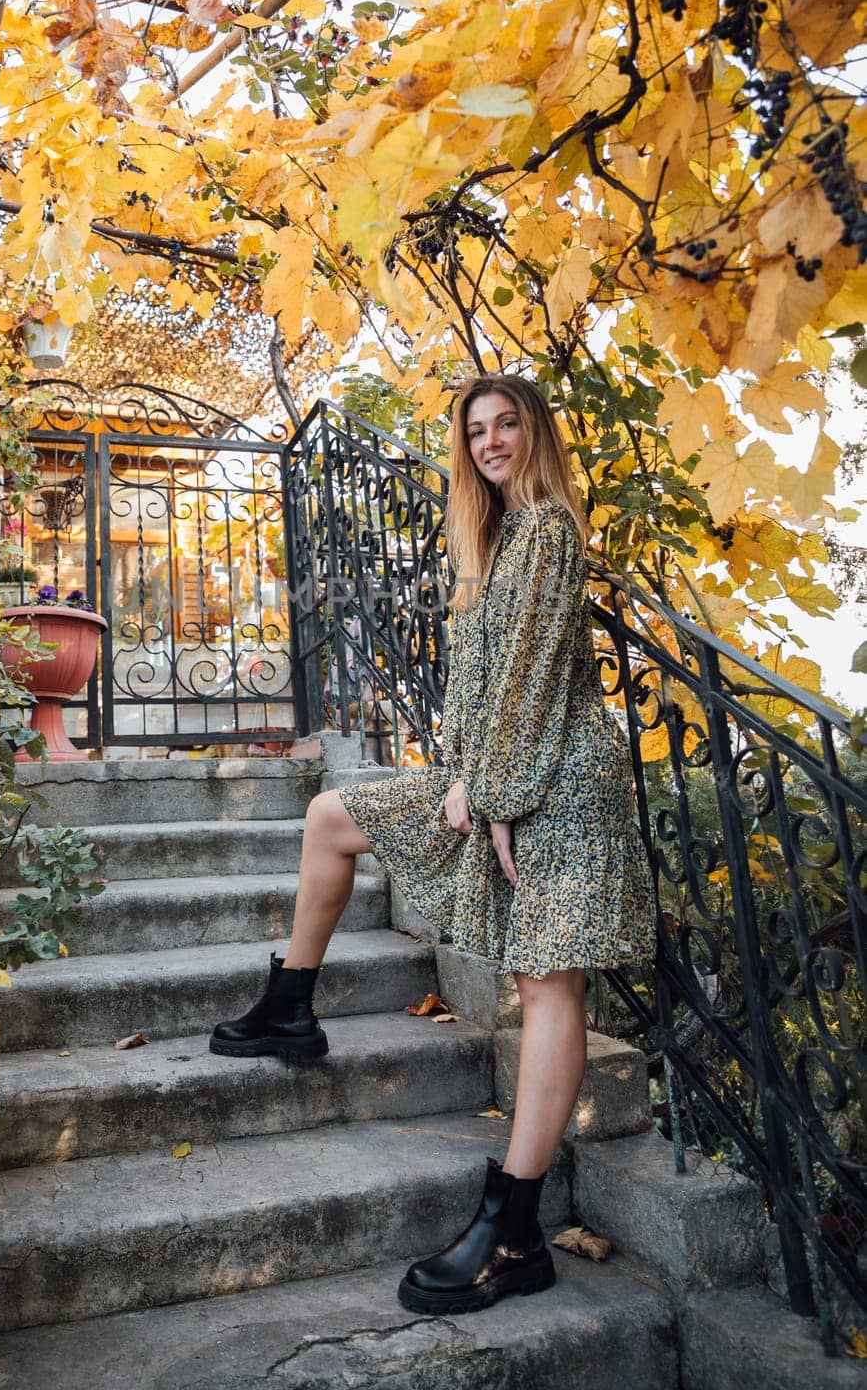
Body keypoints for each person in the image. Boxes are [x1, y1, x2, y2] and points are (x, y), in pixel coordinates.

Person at [209, 373, 655, 1317]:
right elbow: (493, 691)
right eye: (476, 430)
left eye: (508, 425)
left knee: (549, 984)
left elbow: (532, 682)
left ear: (535, 434)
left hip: (558, 788)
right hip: (496, 779)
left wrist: (489, 795)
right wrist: (468, 781)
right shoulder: (495, 543)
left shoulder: (545, 531)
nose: (491, 442)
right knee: (334, 816)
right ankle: (291, 1006)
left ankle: (516, 1228)